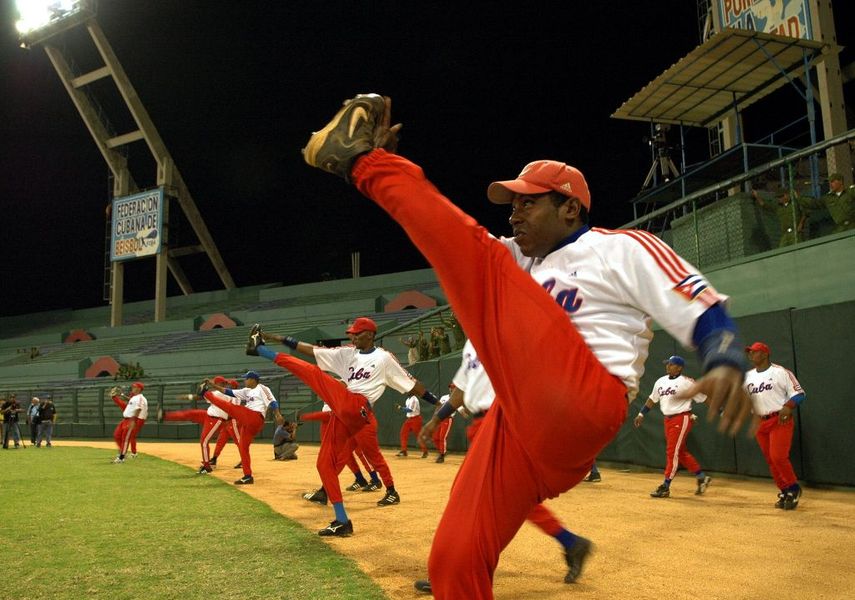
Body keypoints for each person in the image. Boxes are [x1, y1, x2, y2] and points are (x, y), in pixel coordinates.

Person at [299, 93, 751, 598]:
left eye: (529, 202)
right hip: (518, 426)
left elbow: (700, 303)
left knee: (478, 261)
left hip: (582, 395)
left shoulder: (616, 247)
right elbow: (442, 233)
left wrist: (724, 356)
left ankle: (360, 162)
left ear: (571, 207)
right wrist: (449, 406)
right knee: (453, 562)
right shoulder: (515, 262)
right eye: (512, 204)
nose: (515, 213)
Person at [415, 339, 592, 593]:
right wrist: (436, 419)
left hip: (504, 421)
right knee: (489, 497)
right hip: (480, 426)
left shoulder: (508, 327)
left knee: (483, 501)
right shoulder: (472, 340)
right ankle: (571, 542)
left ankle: (459, 569)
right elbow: (462, 389)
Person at [246, 317, 440, 537]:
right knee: (324, 465)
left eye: (358, 333)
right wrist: (278, 338)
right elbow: (313, 350)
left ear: (370, 335)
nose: (353, 336)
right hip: (343, 412)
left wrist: (438, 404)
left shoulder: (384, 358)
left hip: (358, 406)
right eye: (352, 333)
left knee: (315, 375)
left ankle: (260, 350)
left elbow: (415, 386)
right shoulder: (348, 353)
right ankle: (342, 520)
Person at [634, 355, 712, 498]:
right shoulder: (660, 381)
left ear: (679, 367)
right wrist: (641, 414)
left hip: (681, 418)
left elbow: (704, 397)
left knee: (672, 452)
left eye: (671, 364)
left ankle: (666, 486)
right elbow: (652, 399)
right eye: (667, 364)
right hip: (668, 420)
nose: (667, 366)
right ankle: (701, 477)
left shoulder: (686, 382)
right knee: (680, 452)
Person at [744, 342, 805, 510]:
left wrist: (789, 406)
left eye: (754, 352)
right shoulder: (747, 376)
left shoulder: (780, 372)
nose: (751, 355)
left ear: (764, 354)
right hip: (759, 421)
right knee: (771, 460)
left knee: (778, 456)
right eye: (749, 353)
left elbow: (799, 393)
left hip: (779, 419)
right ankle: (785, 490)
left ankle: (793, 488)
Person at [203, 370, 282, 485]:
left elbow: (272, 402)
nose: (245, 381)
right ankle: (248, 476)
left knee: (231, 408)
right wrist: (213, 385)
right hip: (247, 421)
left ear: (253, 380)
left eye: (246, 379)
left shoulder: (262, 388)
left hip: (255, 416)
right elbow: (228, 392)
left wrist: (278, 415)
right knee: (243, 447)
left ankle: (206, 394)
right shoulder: (246, 391)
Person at [157, 376, 238, 473]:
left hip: (218, 419)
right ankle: (165, 415)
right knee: (190, 414)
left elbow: (200, 395)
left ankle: (207, 466)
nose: (226, 384)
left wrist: (196, 392)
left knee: (205, 441)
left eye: (226, 383)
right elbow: (202, 394)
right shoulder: (223, 393)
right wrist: (203, 388)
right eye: (224, 383)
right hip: (210, 415)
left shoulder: (222, 393)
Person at [210, 378, 243, 468]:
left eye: (229, 384)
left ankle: (244, 460)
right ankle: (214, 459)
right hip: (226, 421)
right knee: (220, 441)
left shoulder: (235, 395)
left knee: (239, 441)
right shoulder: (227, 394)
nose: (226, 385)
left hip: (233, 420)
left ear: (233, 386)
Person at [112, 382, 147, 463]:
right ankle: (123, 452)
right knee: (117, 435)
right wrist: (121, 395)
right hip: (125, 419)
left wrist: (133, 420)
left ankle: (121, 458)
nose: (132, 388)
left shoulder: (140, 398)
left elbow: (139, 409)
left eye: (134, 387)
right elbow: (130, 400)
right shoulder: (134, 397)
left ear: (139, 389)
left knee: (126, 438)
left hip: (131, 419)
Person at [431, 385, 456, 463]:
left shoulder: (456, 399)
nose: (451, 389)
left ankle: (441, 455)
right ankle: (442, 452)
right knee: (435, 438)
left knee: (442, 437)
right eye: (450, 387)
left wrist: (463, 412)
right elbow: (438, 407)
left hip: (448, 419)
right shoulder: (444, 397)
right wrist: (434, 416)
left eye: (453, 388)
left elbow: (460, 409)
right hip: (439, 418)